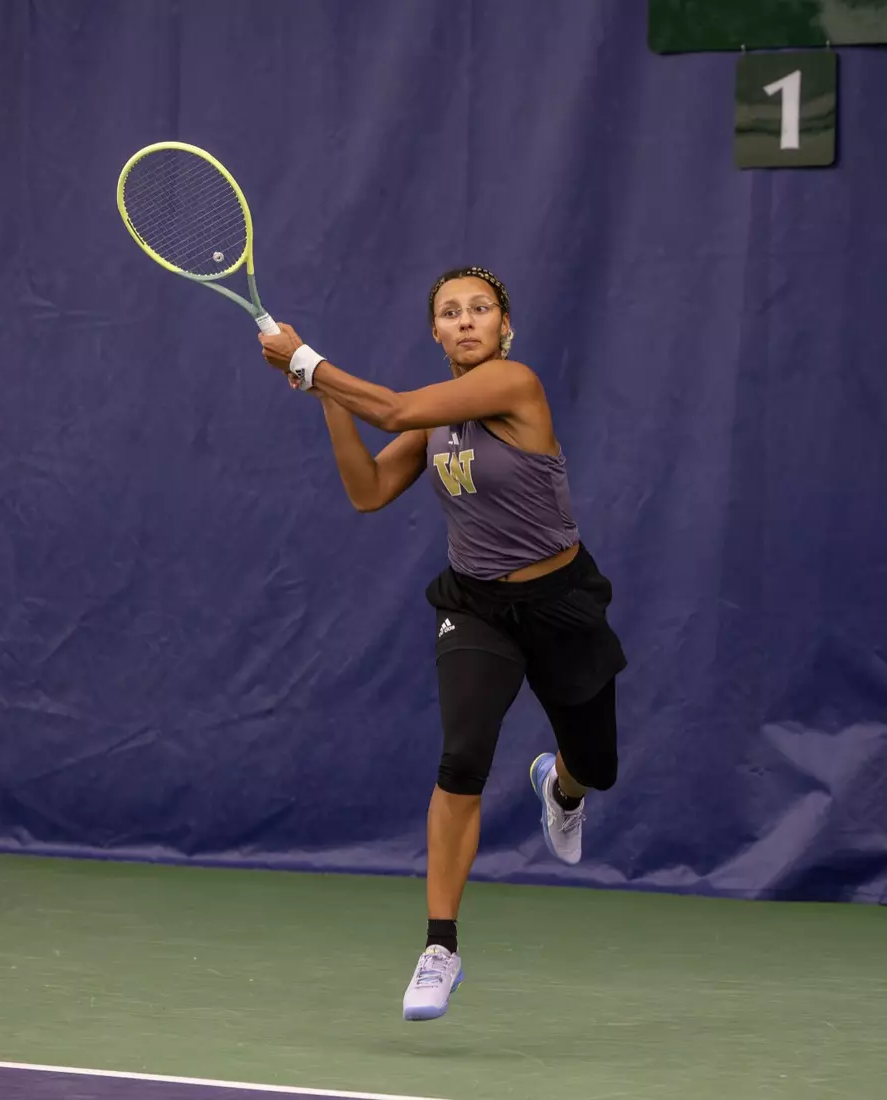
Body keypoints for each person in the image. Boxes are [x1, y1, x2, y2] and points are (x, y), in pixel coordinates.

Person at [258, 266, 627, 1022]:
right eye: (450, 313)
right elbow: (365, 489)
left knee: (598, 765)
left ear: (504, 326)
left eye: (480, 309)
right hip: (476, 606)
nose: (465, 322)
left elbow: (389, 408)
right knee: (462, 756)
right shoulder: (435, 421)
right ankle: (440, 948)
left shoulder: (513, 384)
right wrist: (325, 394)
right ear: (434, 332)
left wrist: (307, 362)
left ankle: (562, 788)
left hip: (559, 603)